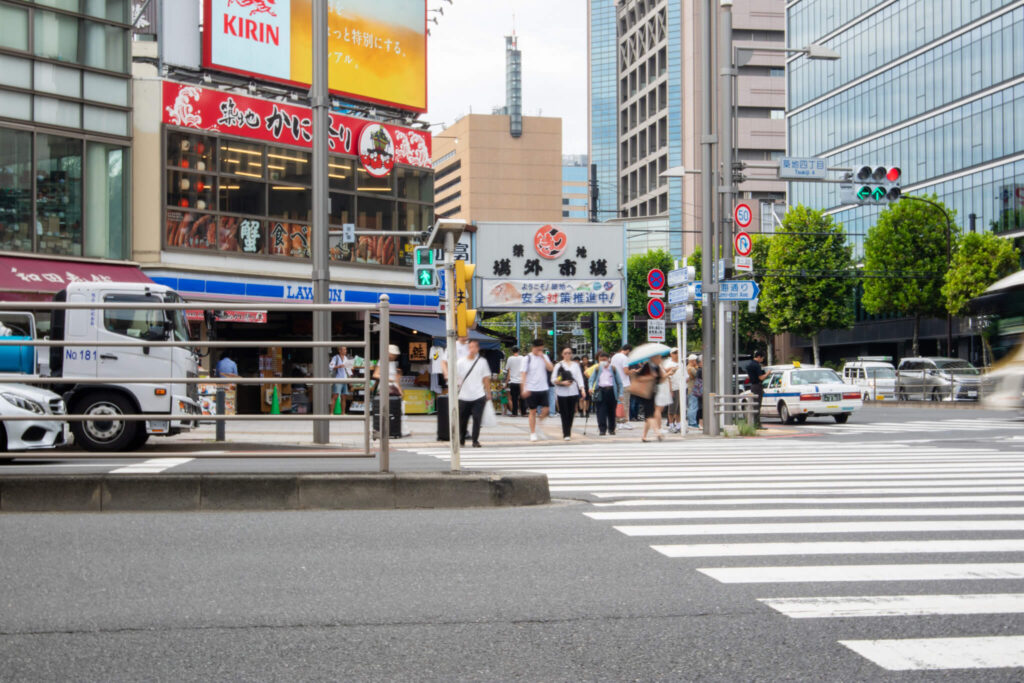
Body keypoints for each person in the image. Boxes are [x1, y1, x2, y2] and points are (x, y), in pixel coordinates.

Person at [457, 340, 490, 448]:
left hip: (478, 396)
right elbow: (456, 377)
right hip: (463, 396)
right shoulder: (460, 362)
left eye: (474, 347)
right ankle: (461, 438)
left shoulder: (482, 362)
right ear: (467, 349)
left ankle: (475, 440)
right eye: (470, 347)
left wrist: (488, 392)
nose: (472, 349)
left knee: (477, 419)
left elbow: (486, 378)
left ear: (477, 349)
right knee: (463, 420)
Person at [520, 338, 554, 442]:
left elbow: (551, 368)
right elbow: (523, 374)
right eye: (537, 349)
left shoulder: (544, 357)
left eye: (541, 349)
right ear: (533, 348)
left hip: (543, 388)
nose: (539, 351)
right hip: (531, 388)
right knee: (532, 411)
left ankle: (539, 425)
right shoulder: (527, 358)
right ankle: (533, 432)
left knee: (546, 410)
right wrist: (524, 388)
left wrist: (543, 357)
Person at [373, 344, 410, 437]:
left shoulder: (394, 363)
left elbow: (396, 378)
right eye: (393, 354)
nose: (394, 356)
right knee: (385, 409)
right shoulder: (382, 361)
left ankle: (400, 429)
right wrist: (389, 379)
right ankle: (381, 428)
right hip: (385, 387)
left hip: (394, 388)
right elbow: (375, 375)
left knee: (399, 408)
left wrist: (399, 389)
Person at [551, 346, 585, 441]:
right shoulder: (558, 365)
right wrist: (562, 382)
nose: (567, 355)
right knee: (564, 413)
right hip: (562, 392)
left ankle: (568, 430)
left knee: (571, 413)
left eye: (569, 353)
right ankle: (566, 433)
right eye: (565, 353)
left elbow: (579, 378)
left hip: (573, 391)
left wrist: (582, 389)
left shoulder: (575, 365)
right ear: (562, 354)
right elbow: (553, 379)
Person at [631, 354, 665, 442]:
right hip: (645, 393)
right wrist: (650, 377)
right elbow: (638, 378)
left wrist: (663, 375)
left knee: (648, 415)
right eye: (658, 357)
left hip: (652, 392)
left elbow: (660, 380)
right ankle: (657, 432)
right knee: (650, 414)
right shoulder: (647, 366)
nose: (660, 359)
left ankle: (644, 436)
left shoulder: (657, 367)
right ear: (653, 358)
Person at [589, 351, 623, 436]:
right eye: (601, 360)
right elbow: (591, 380)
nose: (602, 362)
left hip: (611, 391)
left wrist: (621, 394)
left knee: (611, 412)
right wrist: (590, 388)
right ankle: (602, 430)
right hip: (600, 391)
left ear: (609, 360)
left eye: (604, 360)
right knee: (601, 411)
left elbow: (620, 383)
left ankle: (612, 429)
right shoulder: (597, 369)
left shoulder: (613, 369)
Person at [610, 344, 634, 430]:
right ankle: (625, 422)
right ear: (628, 350)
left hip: (616, 383)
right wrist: (633, 371)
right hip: (624, 383)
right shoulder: (625, 358)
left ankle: (617, 422)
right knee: (625, 404)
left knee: (617, 404)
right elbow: (626, 371)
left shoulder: (614, 357)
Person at [745, 349, 769, 428]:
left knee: (754, 405)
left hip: (752, 386)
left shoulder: (749, 365)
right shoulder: (757, 365)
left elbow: (749, 376)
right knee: (757, 405)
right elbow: (761, 378)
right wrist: (768, 373)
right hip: (758, 386)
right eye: (762, 358)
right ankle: (757, 424)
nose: (762, 360)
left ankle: (754, 423)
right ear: (759, 357)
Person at [329, 345, 353, 414]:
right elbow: (330, 367)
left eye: (346, 349)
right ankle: (331, 413)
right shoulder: (335, 358)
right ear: (340, 350)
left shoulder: (346, 358)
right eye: (344, 349)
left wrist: (350, 380)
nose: (345, 351)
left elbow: (349, 370)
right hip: (338, 379)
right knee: (335, 396)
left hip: (344, 379)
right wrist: (339, 366)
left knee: (344, 397)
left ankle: (343, 413)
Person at [663, 349, 681, 432]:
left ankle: (678, 425)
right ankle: (670, 425)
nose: (676, 354)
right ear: (671, 354)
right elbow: (665, 373)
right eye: (674, 353)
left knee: (679, 408)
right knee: (672, 408)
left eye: (677, 352)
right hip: (672, 387)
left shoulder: (681, 362)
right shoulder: (668, 363)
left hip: (680, 387)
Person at [504, 347, 524, 416]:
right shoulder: (522, 358)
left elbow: (507, 368)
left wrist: (506, 383)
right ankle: (523, 412)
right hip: (521, 381)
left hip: (513, 382)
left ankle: (514, 413)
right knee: (522, 398)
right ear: (518, 351)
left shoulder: (510, 358)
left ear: (512, 351)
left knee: (514, 398)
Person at [686, 354, 700, 428]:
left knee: (692, 405)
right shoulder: (691, 368)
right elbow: (697, 374)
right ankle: (692, 422)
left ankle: (691, 421)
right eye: (696, 361)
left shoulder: (688, 367)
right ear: (692, 361)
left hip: (691, 389)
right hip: (692, 389)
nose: (697, 362)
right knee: (693, 406)